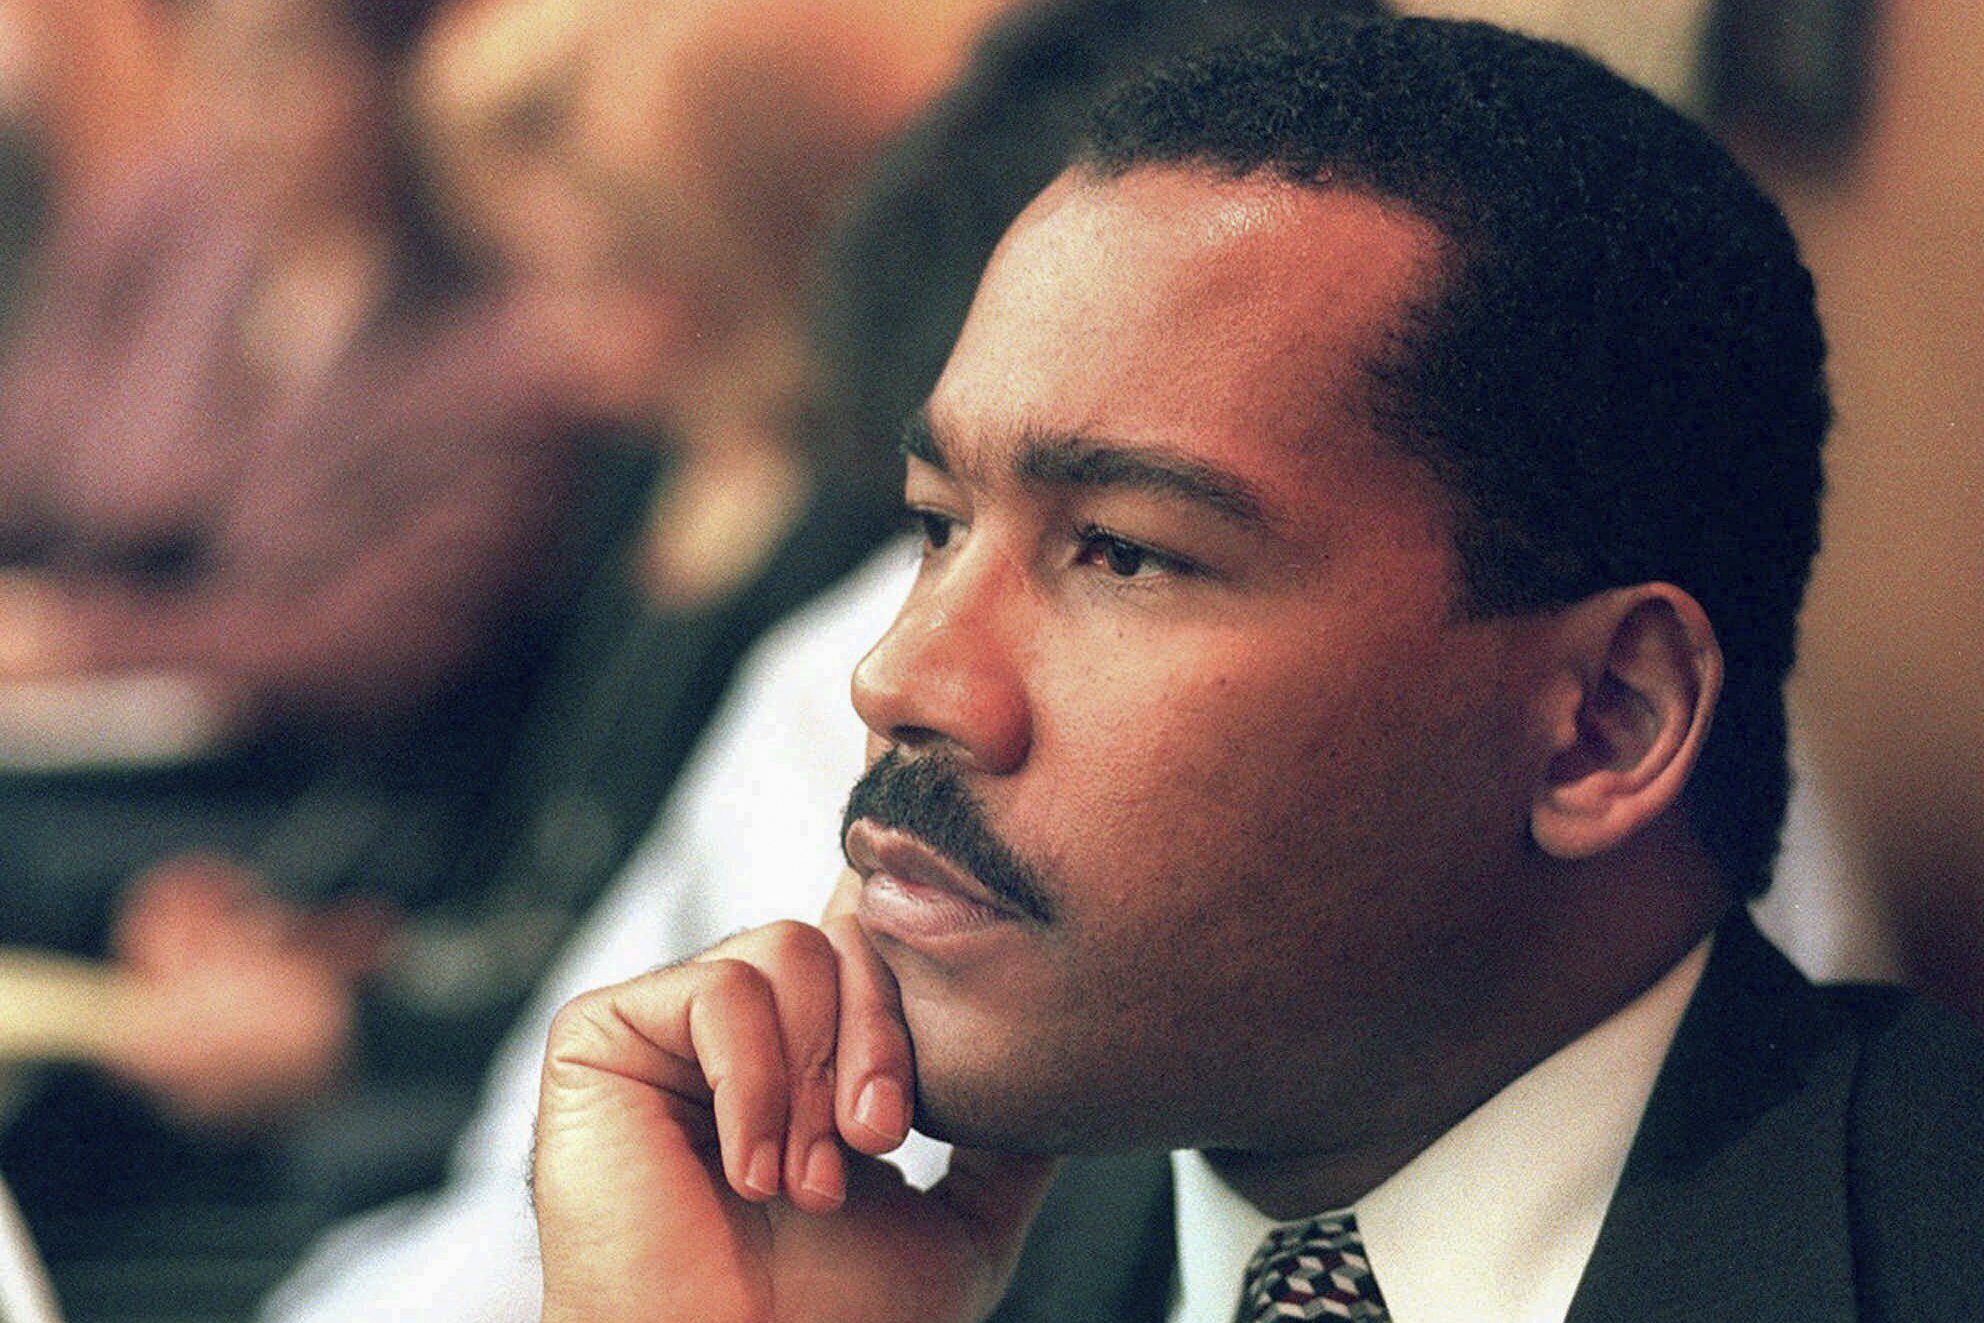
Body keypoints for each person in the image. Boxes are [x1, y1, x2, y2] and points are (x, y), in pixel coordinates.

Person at [528, 14, 1984, 1323]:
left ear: (1604, 724)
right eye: (936, 525)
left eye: (1122, 552)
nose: (902, 677)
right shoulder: (898, 1257)